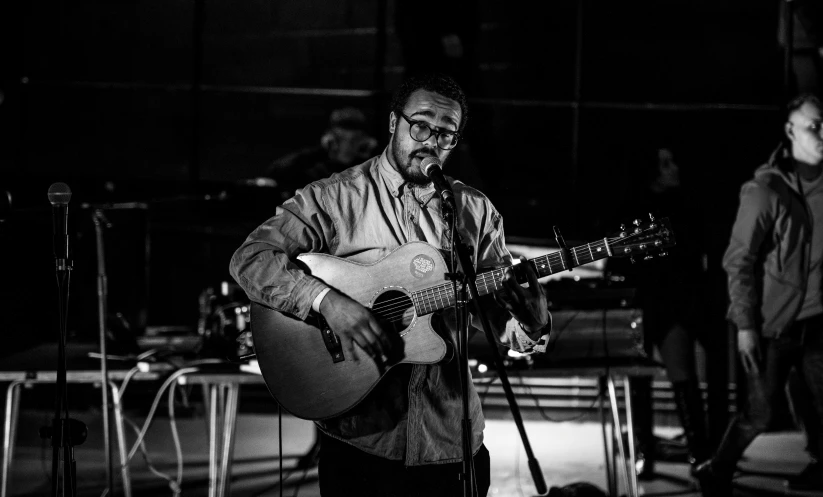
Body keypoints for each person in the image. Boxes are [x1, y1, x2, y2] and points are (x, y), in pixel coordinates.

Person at [229, 73, 551, 497]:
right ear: (393, 124)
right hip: (363, 444)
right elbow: (251, 258)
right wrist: (328, 302)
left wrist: (532, 324)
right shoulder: (335, 198)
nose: (430, 141)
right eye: (420, 125)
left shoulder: (474, 210)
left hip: (450, 442)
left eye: (446, 134)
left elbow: (492, 318)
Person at [696, 93, 823, 495]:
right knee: (760, 412)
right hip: (773, 324)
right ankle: (717, 469)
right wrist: (747, 326)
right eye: (813, 126)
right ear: (790, 131)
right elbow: (738, 261)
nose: (822, 134)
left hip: (817, 321)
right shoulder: (766, 190)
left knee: (819, 402)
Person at [616, 146, 710, 480]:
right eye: (666, 163)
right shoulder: (632, 205)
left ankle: (701, 454)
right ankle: (645, 452)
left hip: (674, 302)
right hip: (641, 303)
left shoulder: (685, 205)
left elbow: (695, 257)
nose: (674, 168)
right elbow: (619, 259)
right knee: (638, 380)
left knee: (682, 377)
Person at [264, 107, 378, 202]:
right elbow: (276, 171)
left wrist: (372, 152)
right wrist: (320, 150)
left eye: (354, 140)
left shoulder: (368, 170)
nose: (347, 146)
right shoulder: (316, 171)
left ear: (363, 140)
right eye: (341, 139)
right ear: (331, 138)